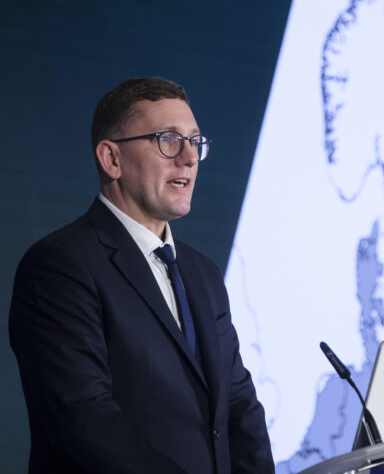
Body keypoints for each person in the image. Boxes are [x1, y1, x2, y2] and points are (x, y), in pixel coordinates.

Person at [9, 77, 274, 474]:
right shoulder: (60, 266)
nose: (189, 158)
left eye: (195, 142)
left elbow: (238, 404)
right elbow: (86, 418)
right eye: (169, 140)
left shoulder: (202, 273)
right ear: (111, 159)